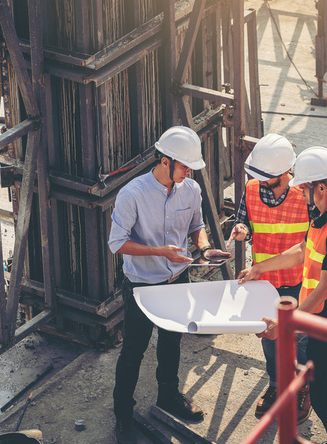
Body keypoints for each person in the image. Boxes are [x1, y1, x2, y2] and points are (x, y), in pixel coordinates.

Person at [238, 146, 327, 443]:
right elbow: (302, 252)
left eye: (305, 188)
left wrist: (286, 324)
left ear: (320, 187)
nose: (301, 193)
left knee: (325, 400)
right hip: (324, 319)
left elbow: (325, 288)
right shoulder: (323, 214)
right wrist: (260, 268)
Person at [108, 126, 229, 444]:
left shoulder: (190, 190)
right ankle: (122, 412)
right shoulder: (132, 195)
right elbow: (117, 243)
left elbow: (197, 226)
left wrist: (204, 247)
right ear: (164, 160)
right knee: (134, 350)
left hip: (177, 280)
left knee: (172, 340)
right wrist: (158, 251)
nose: (189, 172)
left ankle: (168, 395)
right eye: (185, 166)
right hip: (141, 287)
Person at [226, 134, 312, 423]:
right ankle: (277, 384)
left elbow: (308, 247)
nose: (262, 182)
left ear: (286, 171)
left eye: (269, 178)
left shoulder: (305, 194)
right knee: (268, 337)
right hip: (265, 281)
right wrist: (241, 230)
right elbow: (245, 219)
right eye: (260, 177)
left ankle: (301, 388)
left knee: (299, 339)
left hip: (298, 280)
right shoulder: (252, 188)